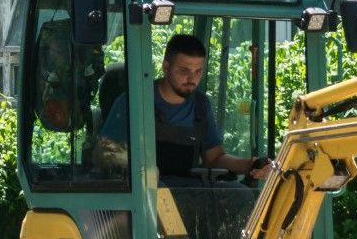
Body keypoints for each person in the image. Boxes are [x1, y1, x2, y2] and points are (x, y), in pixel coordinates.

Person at [100, 33, 273, 183]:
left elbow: (214, 158)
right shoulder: (134, 102)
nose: (192, 78)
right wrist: (140, 170)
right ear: (166, 66)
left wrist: (253, 164)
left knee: (243, 197)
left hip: (187, 197)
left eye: (198, 71)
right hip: (144, 201)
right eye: (184, 70)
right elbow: (104, 153)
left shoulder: (201, 105)